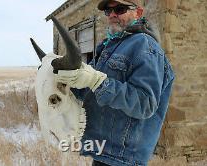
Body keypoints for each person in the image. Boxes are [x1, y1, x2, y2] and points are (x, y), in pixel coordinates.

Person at [54, 0, 175, 165]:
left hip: (124, 158)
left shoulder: (146, 47)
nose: (112, 15)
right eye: (108, 11)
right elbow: (88, 91)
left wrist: (98, 81)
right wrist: (66, 79)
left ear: (137, 13)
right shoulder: (108, 46)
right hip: (102, 152)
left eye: (120, 9)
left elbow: (145, 103)